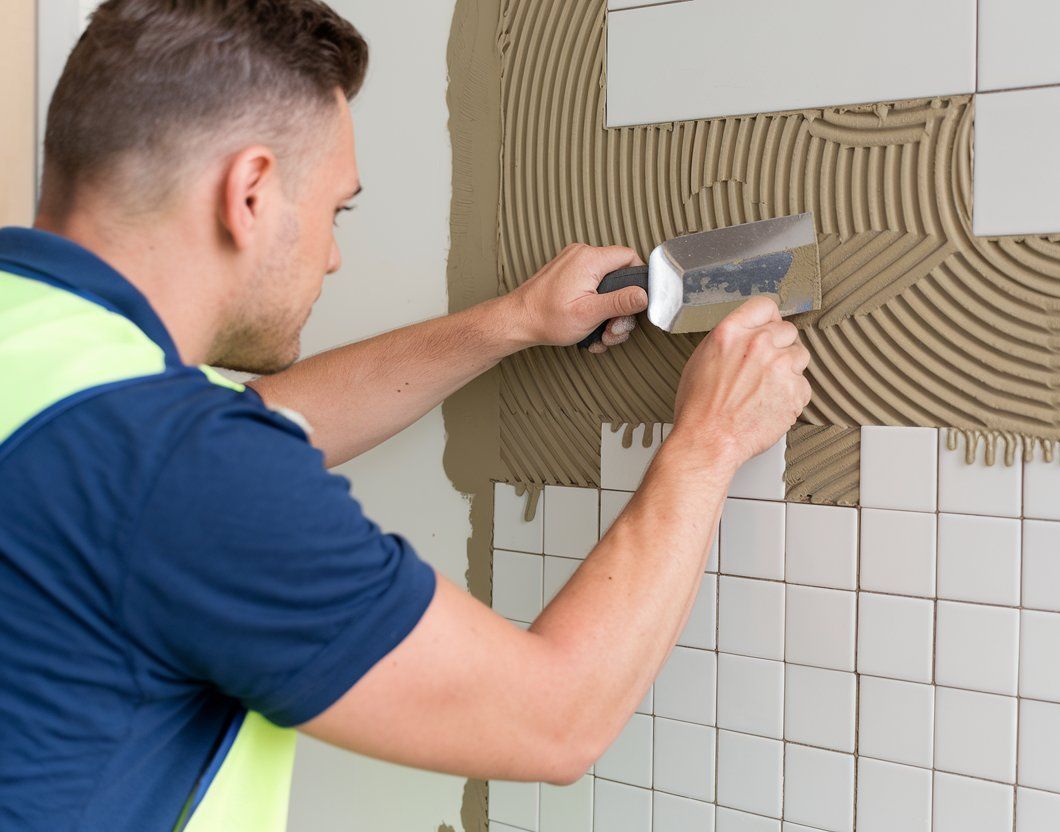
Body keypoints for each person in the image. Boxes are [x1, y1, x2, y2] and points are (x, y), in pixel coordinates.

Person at [0, 1, 812, 829]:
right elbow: (553, 719)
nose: (332, 255)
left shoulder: (54, 360)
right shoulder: (178, 468)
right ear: (248, 193)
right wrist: (709, 443)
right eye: (336, 211)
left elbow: (241, 425)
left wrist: (514, 321)